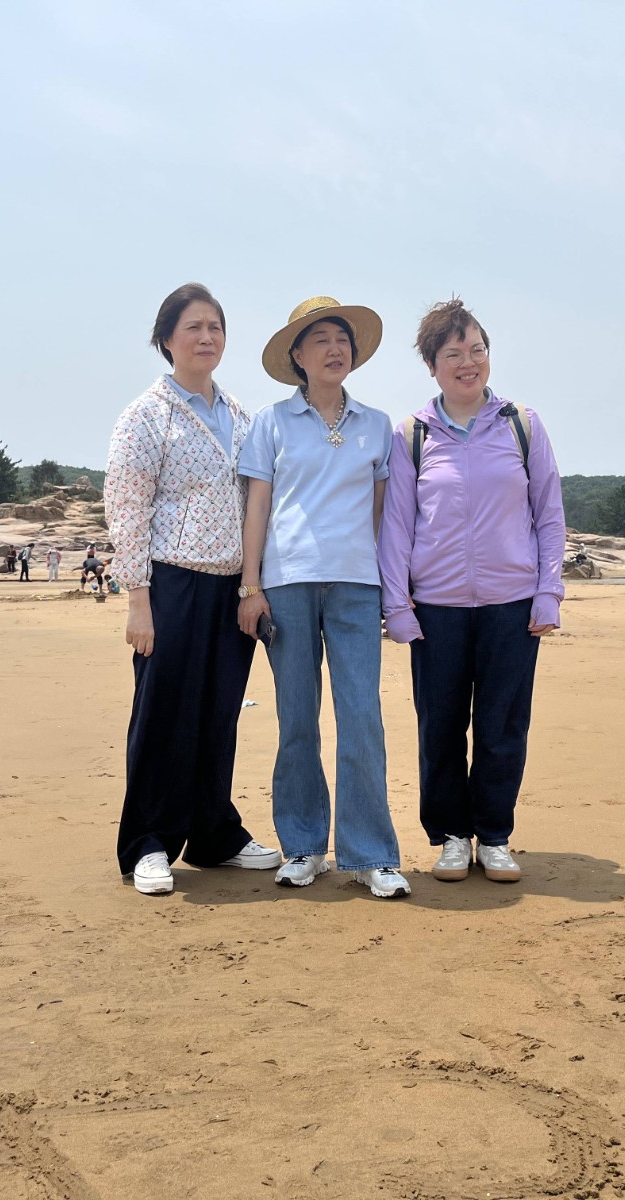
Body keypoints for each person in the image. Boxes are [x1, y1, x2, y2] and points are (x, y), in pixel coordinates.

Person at [379, 299, 566, 885]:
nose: (468, 362)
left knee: (503, 724)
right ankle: (452, 837)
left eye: (477, 350)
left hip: (513, 604)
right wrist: (397, 605)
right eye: (453, 353)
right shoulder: (411, 434)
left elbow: (549, 515)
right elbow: (396, 526)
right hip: (437, 608)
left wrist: (548, 592)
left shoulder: (522, 424)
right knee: (439, 726)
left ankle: (495, 836)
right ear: (431, 365)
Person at [105, 282, 282, 895]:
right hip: (171, 583)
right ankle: (149, 842)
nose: (207, 337)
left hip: (233, 587)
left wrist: (254, 585)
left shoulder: (241, 416)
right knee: (162, 714)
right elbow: (126, 508)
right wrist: (138, 600)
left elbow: (260, 498)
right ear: (166, 339)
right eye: (193, 328)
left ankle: (213, 834)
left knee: (218, 713)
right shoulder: (146, 415)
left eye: (215, 327)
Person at [238, 296, 408, 899]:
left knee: (362, 717)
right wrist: (251, 586)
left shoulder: (378, 425)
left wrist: (391, 585)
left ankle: (371, 853)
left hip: (357, 584)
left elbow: (386, 513)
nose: (335, 349)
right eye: (320, 340)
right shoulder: (270, 423)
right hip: (287, 582)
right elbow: (257, 506)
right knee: (296, 718)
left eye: (343, 339)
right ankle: (304, 845)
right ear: (297, 355)